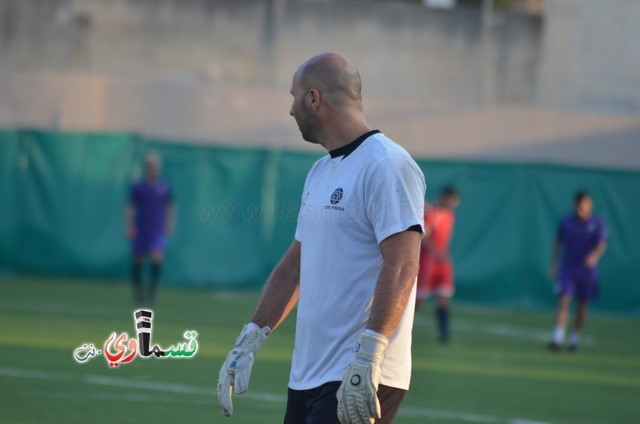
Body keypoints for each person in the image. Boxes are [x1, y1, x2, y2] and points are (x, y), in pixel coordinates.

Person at [217, 53, 426, 424]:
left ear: (314, 99)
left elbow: (404, 264)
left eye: (294, 96)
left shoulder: (387, 164)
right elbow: (294, 266)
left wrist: (371, 353)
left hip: (361, 371)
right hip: (309, 375)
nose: (290, 110)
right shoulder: (319, 171)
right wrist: (250, 339)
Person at [548, 191, 607, 353]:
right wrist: (553, 264)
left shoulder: (597, 223)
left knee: (582, 305)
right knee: (564, 301)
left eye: (586, 204)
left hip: (587, 272)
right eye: (580, 204)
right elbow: (558, 243)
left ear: (589, 205)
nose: (583, 208)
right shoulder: (566, 221)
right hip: (568, 268)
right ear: (575, 204)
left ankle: (574, 340)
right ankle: (557, 338)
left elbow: (602, 243)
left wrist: (594, 257)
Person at [125, 153, 174, 306]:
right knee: (138, 259)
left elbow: (170, 207)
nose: (153, 169)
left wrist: (169, 223)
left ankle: (152, 293)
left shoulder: (164, 187)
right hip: (142, 228)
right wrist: (129, 225)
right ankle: (138, 292)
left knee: (156, 257)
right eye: (150, 166)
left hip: (156, 229)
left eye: (156, 166)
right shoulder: (139, 187)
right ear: (146, 168)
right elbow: (131, 208)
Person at [415, 186, 460, 344]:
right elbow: (423, 237)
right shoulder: (430, 213)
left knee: (444, 297)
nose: (452, 203)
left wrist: (443, 255)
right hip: (428, 261)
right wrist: (437, 252)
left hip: (442, 263)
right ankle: (400, 326)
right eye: (450, 199)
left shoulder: (450, 215)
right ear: (443, 197)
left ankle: (444, 335)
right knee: (419, 299)